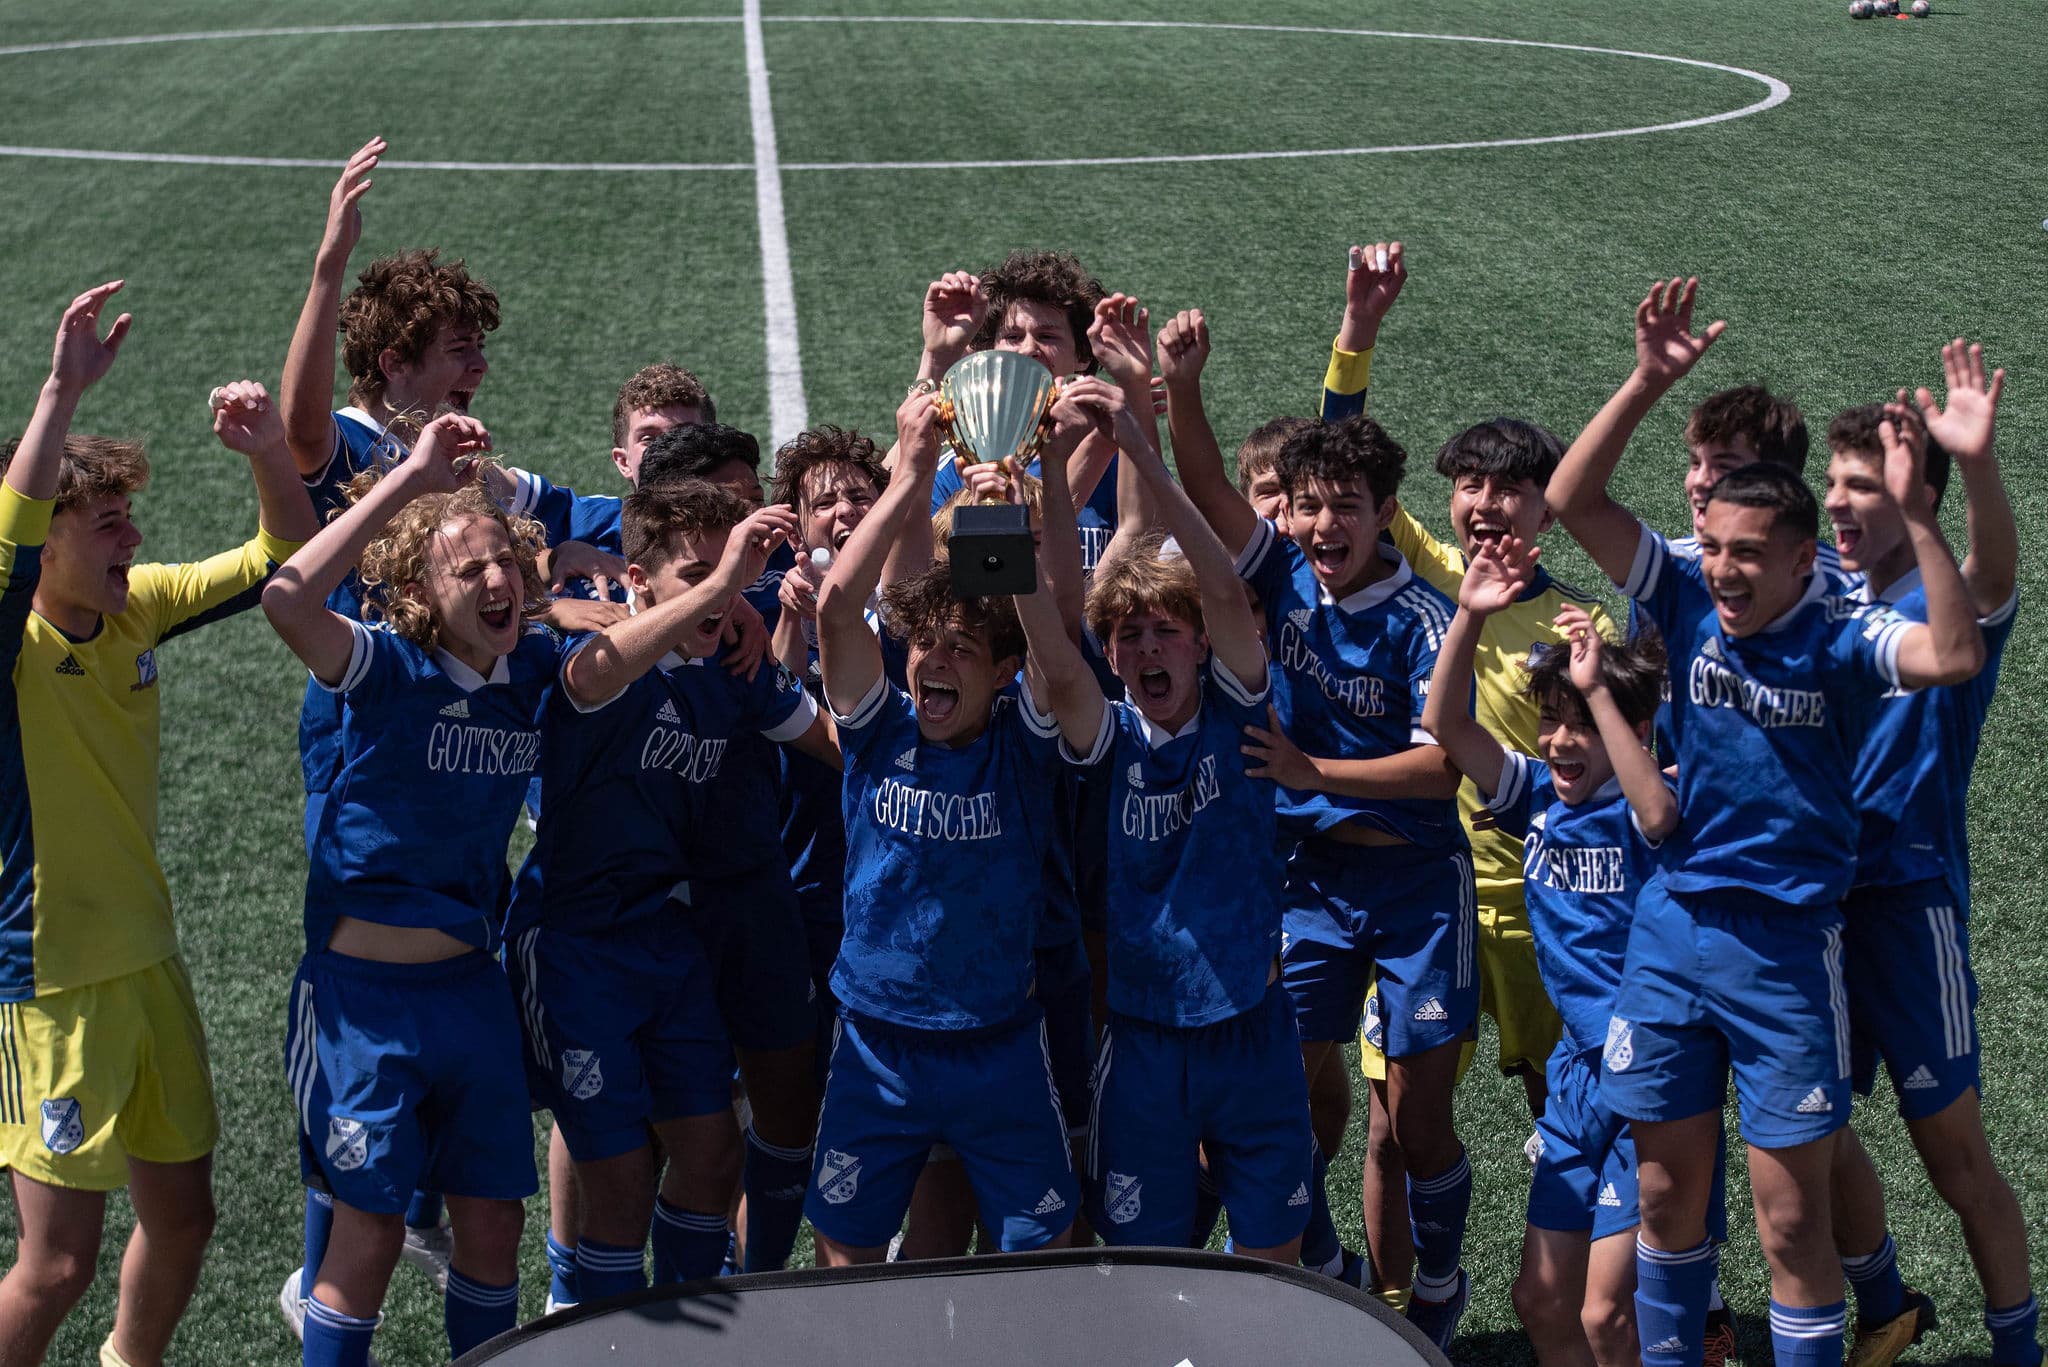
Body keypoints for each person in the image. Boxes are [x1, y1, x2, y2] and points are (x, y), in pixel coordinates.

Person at [1545, 277, 1986, 1367]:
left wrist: (1926, 512)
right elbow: (1572, 498)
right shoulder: (1685, 592)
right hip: (1670, 925)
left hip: (1785, 947)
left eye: (1751, 551)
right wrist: (1646, 380)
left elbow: (1951, 653)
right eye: (1715, 543)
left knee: (1790, 1221)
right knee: (1662, 1196)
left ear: (1803, 558)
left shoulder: (1840, 637)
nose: (1724, 566)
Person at [260, 412, 645, 1366]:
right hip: (362, 1006)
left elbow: (612, 649)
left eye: (503, 560)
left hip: (472, 993)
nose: (494, 578)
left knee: (488, 1231)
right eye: (464, 567)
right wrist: (413, 478)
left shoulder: (530, 674)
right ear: (413, 593)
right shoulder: (383, 668)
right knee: (369, 1242)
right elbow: (287, 597)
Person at [0, 283, 316, 1367]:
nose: (133, 536)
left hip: (149, 966)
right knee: (56, 1263)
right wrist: (59, 390)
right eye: (109, 522)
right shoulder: (9, 645)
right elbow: (6, 532)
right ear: (48, 543)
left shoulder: (134, 605)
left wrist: (270, 451)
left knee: (184, 1222)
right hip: (52, 984)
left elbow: (282, 557)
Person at [1170, 319, 1475, 1343]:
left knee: (1418, 1117)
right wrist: (1181, 387)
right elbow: (1209, 484)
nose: (1320, 524)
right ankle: (1319, 1260)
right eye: (1305, 506)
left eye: (1344, 506)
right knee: (1266, 1094)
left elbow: (1444, 765)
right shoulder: (1282, 575)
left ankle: (1436, 1278)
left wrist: (1313, 770)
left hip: (1415, 888)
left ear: (1384, 512)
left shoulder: (1424, 619)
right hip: (1305, 881)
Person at [506, 482, 837, 1303]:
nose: (718, 587)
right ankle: (596, 1330)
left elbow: (839, 742)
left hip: (666, 937)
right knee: (617, 1182)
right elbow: (590, 677)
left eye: (728, 568)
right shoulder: (603, 651)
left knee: (714, 1154)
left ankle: (691, 1339)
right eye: (696, 571)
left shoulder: (736, 666)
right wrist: (726, 586)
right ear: (640, 578)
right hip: (575, 943)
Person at [1013, 376, 1313, 1263]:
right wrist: (1022, 498)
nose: (1148, 647)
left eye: (1165, 630)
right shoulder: (1106, 738)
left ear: (1199, 642)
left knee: (1275, 1269)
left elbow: (1224, 590)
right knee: (1141, 1271)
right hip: (1143, 1042)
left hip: (1254, 1030)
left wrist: (1143, 448)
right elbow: (1055, 650)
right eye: (1129, 636)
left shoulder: (1241, 711)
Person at [804, 387, 1080, 1265]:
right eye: (927, 643)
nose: (937, 658)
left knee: (1043, 1246)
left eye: (964, 646)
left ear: (1001, 672)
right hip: (876, 1040)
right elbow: (837, 613)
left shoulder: (1021, 745)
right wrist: (910, 472)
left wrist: (999, 530)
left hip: (997, 1043)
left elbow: (1056, 657)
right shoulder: (878, 727)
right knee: (845, 1250)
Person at [1423, 534, 1701, 1367]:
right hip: (1576, 1077)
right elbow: (1445, 724)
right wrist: (1470, 615)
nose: (1561, 742)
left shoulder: (1653, 803)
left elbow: (1657, 816)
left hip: (1651, 1075)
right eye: (1552, 721)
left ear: (1630, 728)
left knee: (1611, 1317)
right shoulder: (1537, 798)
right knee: (1543, 1301)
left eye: (1581, 725)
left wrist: (1600, 695)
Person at [1818, 348, 2038, 1367]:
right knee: (1804, 1131)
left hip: (1907, 910)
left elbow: (1994, 577)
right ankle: (1884, 1300)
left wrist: (1972, 467)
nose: (1835, 502)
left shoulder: (1937, 601)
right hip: (1811, 904)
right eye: (1832, 482)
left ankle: (2015, 1344)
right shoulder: (1816, 598)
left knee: (1954, 1157)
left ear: (1912, 495)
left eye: (1859, 485)